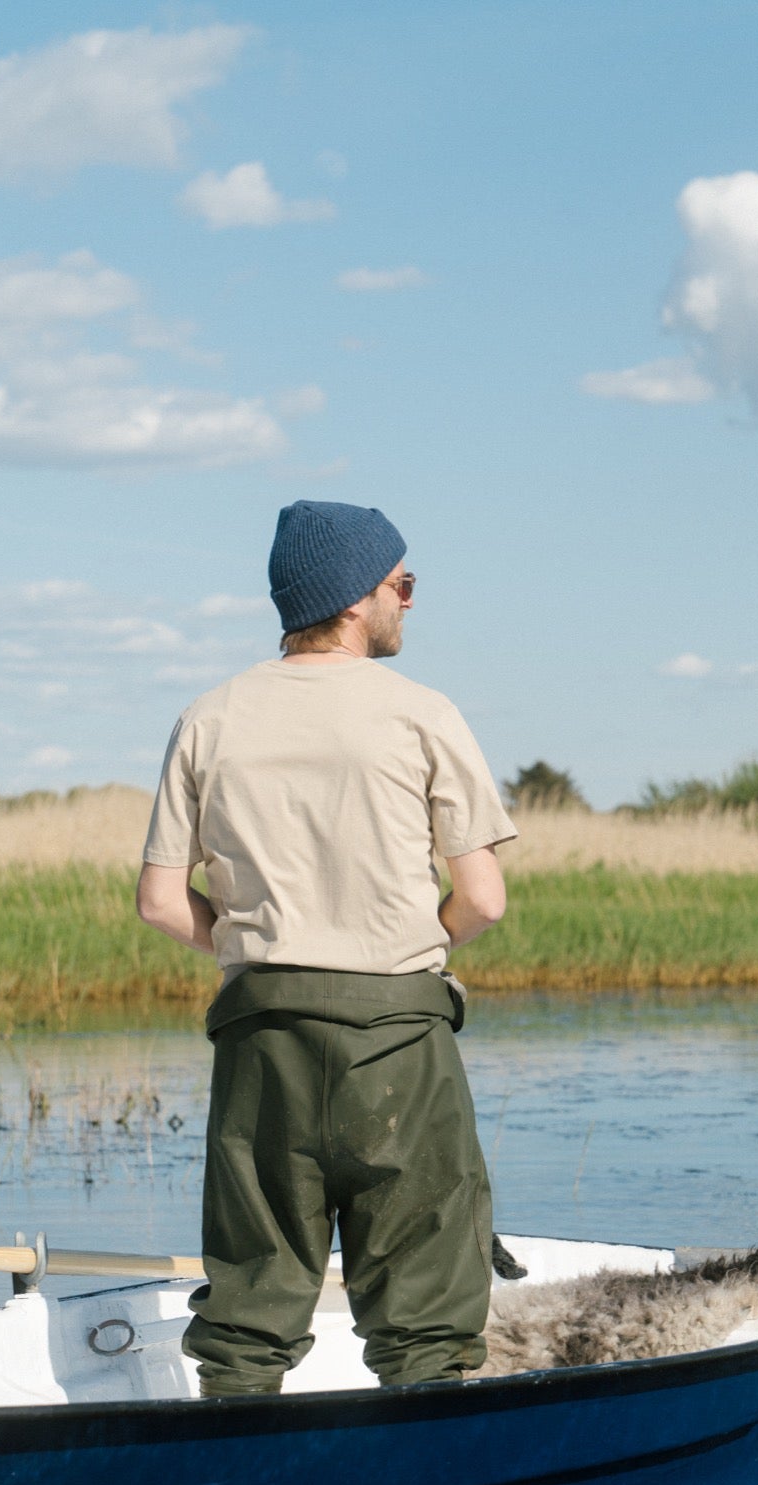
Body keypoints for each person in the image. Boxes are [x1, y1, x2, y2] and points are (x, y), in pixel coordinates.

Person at [136, 499, 516, 1395]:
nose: (408, 602)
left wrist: (251, 947)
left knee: (249, 1311)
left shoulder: (208, 716)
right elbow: (485, 899)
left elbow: (159, 902)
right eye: (402, 584)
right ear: (356, 597)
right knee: (424, 1325)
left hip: (263, 1036)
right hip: (399, 1037)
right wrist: (414, 943)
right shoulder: (421, 712)